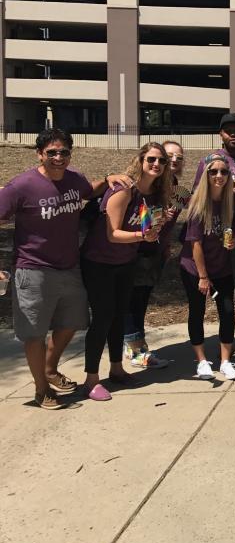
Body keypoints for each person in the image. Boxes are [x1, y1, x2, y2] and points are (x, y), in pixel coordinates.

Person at [0, 129, 130, 409]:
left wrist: (107, 179)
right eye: (52, 152)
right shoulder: (22, 186)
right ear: (40, 154)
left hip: (69, 267)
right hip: (32, 269)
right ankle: (41, 389)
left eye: (64, 152)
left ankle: (49, 368)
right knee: (34, 333)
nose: (59, 157)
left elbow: (88, 190)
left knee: (72, 322)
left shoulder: (74, 179)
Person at [80, 142, 171, 400]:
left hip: (125, 261)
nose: (157, 165)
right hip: (99, 261)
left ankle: (117, 369)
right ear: (141, 160)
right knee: (103, 317)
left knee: (119, 315)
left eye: (161, 161)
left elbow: (145, 233)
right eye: (151, 159)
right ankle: (91, 379)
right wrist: (142, 235)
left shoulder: (154, 195)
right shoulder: (124, 190)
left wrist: (152, 233)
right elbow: (112, 234)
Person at [194, 112, 235, 351]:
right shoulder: (211, 160)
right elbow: (197, 195)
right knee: (222, 293)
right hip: (217, 238)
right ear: (220, 134)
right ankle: (218, 343)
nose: (233, 133)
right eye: (228, 130)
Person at [123, 139, 185, 370]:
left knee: (141, 299)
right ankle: (137, 349)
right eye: (169, 156)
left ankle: (133, 346)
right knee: (132, 301)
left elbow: (169, 223)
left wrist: (166, 243)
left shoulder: (178, 188)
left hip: (154, 252)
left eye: (179, 157)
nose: (174, 161)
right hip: (132, 250)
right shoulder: (136, 184)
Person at [180, 154, 235, 380]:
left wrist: (232, 242)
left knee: (227, 311)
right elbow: (195, 245)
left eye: (224, 172)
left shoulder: (229, 202)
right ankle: (202, 361)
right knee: (197, 311)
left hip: (221, 267)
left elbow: (229, 235)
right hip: (195, 268)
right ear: (205, 175)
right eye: (213, 171)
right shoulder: (198, 204)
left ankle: (225, 361)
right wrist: (203, 277)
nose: (219, 176)